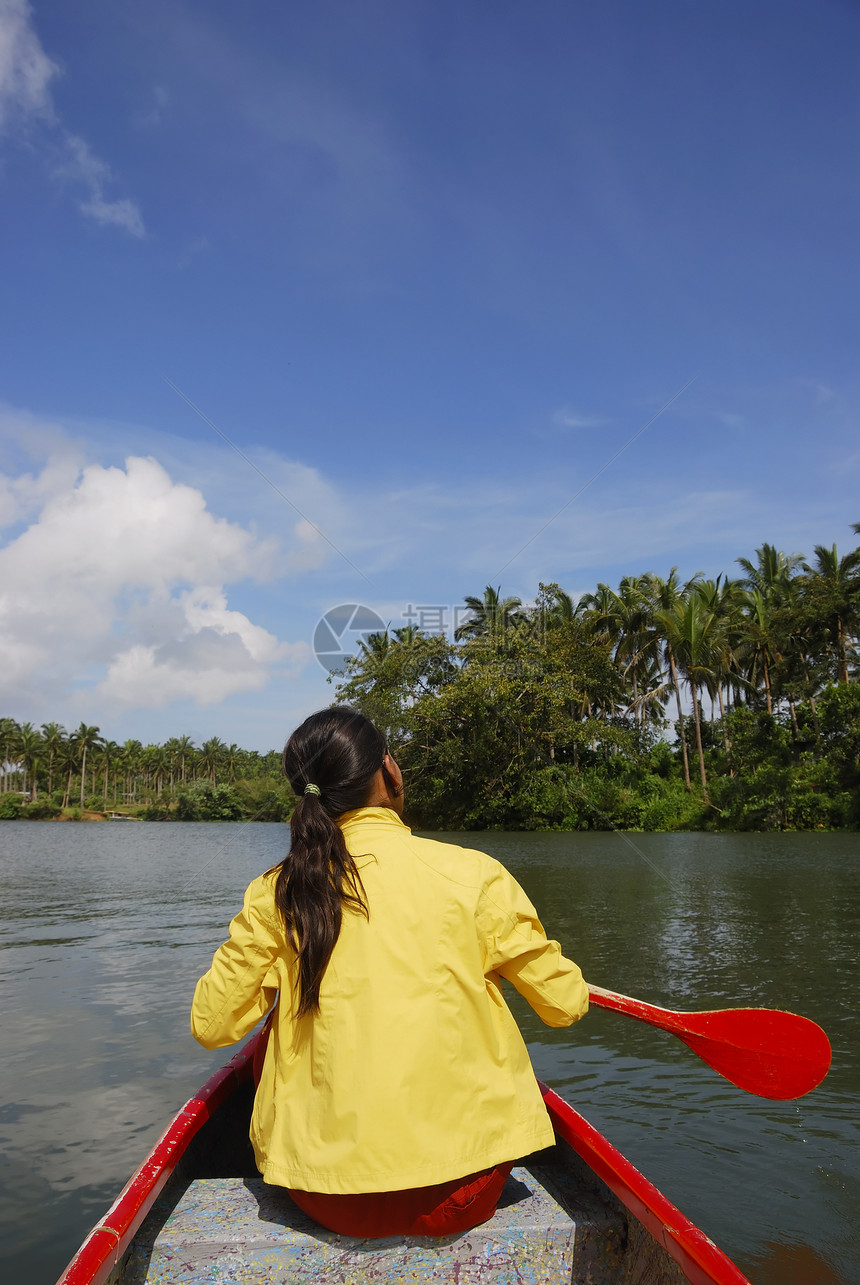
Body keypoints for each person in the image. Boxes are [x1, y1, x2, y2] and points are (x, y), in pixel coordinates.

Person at [191, 706, 589, 1238]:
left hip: (326, 1196)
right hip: (465, 1190)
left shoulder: (278, 890)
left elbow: (212, 1025)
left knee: (270, 1034)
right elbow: (565, 1006)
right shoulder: (474, 874)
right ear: (390, 770)